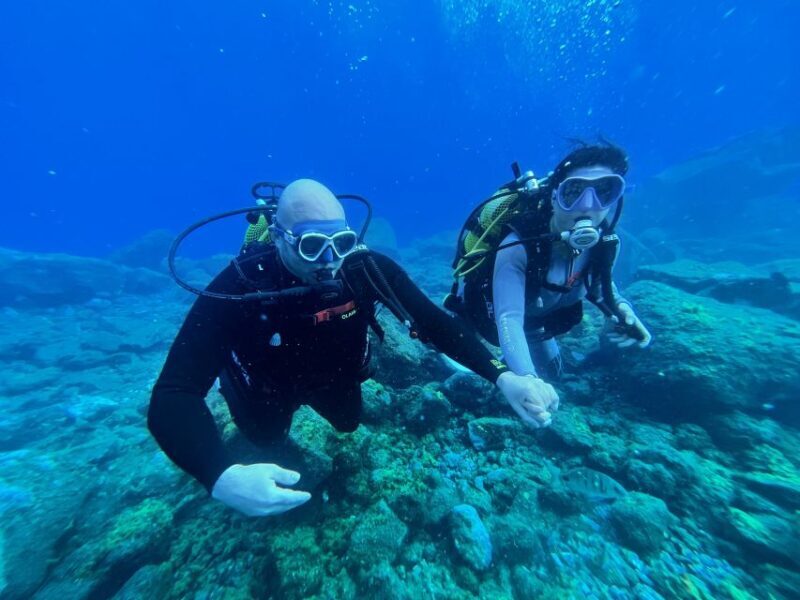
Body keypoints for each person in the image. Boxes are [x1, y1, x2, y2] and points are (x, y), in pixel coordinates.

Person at [148, 179, 558, 518]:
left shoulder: (363, 268)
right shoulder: (238, 286)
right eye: (311, 246)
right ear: (278, 238)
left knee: (347, 422)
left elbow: (434, 322)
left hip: (332, 374)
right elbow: (173, 392)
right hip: (267, 385)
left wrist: (503, 376)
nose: (329, 261)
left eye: (340, 242)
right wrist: (219, 475)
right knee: (265, 436)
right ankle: (231, 378)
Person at [445, 143, 651, 397]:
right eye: (573, 192)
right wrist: (527, 379)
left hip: (538, 324)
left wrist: (622, 312)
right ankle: (461, 325)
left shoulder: (606, 245)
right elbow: (508, 317)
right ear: (554, 196)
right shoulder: (518, 245)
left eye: (603, 193)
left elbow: (600, 288)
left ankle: (526, 345)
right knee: (456, 373)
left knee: (554, 376)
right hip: (491, 316)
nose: (587, 206)